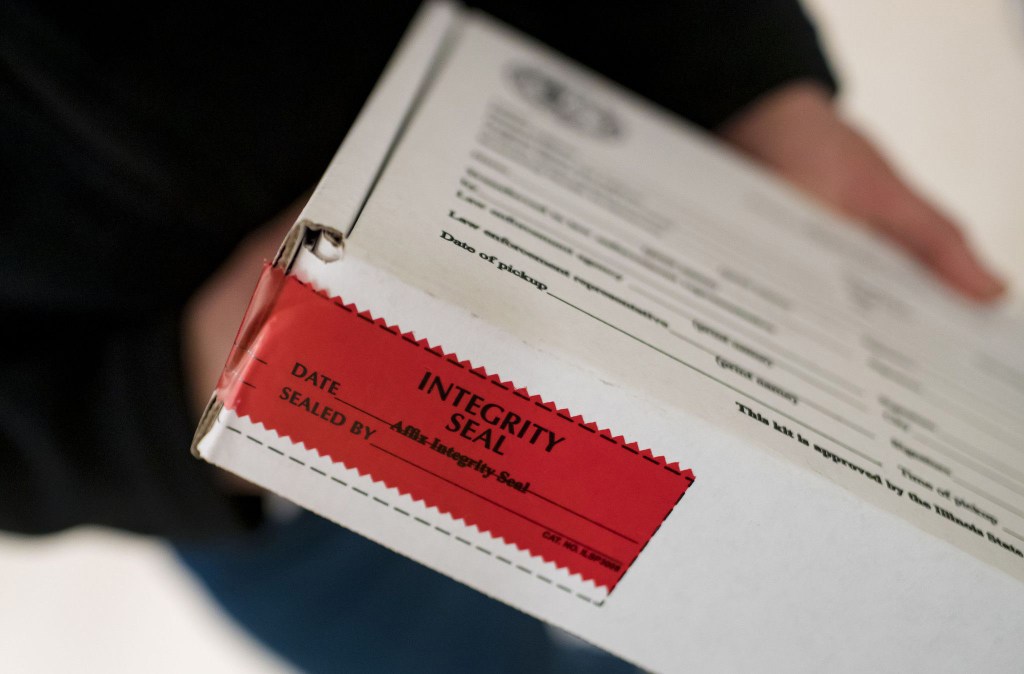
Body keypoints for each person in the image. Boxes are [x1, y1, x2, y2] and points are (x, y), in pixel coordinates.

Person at [1, 2, 1005, 671]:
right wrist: (155, 398)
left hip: (626, 203)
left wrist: (742, 74)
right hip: (259, 467)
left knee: (833, 602)